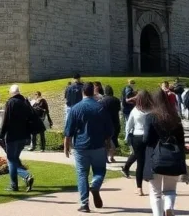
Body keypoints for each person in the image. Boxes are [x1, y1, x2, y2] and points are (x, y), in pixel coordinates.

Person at [64, 82, 112, 212]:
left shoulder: (75, 108)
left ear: (82, 92)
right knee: (100, 170)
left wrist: (66, 146)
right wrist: (108, 143)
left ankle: (84, 204)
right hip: (98, 145)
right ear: (93, 91)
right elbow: (109, 129)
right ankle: (95, 184)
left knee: (82, 174)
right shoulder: (100, 107)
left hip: (81, 146)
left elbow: (69, 130)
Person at [140, 87, 188, 216]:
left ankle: (158, 214)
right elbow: (181, 140)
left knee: (155, 192)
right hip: (173, 156)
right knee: (170, 190)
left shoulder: (150, 117)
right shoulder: (175, 117)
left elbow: (146, 139)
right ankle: (168, 206)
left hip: (155, 155)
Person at [0, 84, 35, 192]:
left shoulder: (11, 102)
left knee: (11, 160)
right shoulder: (24, 102)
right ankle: (22, 179)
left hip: (13, 135)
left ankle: (20, 180)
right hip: (23, 136)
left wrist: (1, 135)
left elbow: (6, 120)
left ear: (11, 93)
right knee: (15, 159)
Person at [123, 89, 155, 189]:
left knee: (140, 161)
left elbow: (129, 125)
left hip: (137, 136)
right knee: (149, 160)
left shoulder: (135, 110)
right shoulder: (153, 110)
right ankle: (152, 184)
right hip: (150, 136)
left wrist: (127, 137)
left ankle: (139, 187)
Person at [100, 85, 122, 162]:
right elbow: (119, 110)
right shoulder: (116, 100)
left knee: (106, 140)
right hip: (115, 122)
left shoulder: (102, 101)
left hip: (106, 123)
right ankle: (112, 157)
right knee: (114, 139)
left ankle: (105, 157)